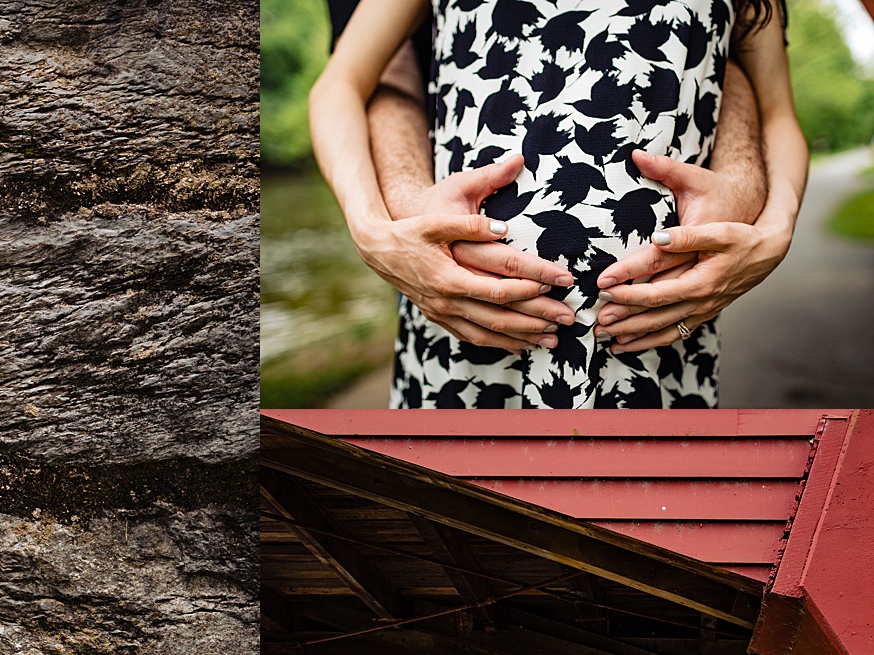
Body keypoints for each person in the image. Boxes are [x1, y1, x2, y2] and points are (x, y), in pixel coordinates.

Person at [309, 0, 808, 406]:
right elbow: (343, 83)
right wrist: (373, 230)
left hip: (658, 342)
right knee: (454, 514)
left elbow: (776, 109)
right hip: (464, 335)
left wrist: (775, 230)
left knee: (647, 519)